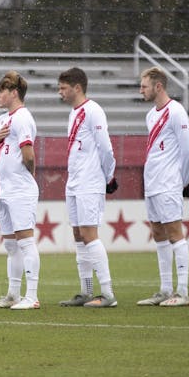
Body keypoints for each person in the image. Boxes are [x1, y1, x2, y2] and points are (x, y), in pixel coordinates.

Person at [57, 67, 119, 308]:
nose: (60, 92)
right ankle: (86, 290)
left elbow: (106, 147)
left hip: (90, 182)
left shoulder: (93, 111)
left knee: (90, 234)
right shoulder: (74, 113)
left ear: (77, 87)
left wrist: (108, 177)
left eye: (63, 88)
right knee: (78, 235)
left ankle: (107, 293)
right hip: (74, 182)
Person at [135, 67, 189, 307]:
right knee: (158, 233)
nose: (141, 89)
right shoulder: (151, 115)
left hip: (169, 183)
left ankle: (182, 291)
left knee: (174, 233)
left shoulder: (176, 111)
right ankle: (165, 289)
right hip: (152, 183)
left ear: (158, 86)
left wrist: (183, 181)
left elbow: (188, 150)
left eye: (144, 85)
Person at [0, 71, 41, 310]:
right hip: (5, 190)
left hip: (20, 189)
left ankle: (32, 296)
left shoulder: (22, 118)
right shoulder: (1, 120)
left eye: (2, 91)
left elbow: (28, 154)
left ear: (14, 93)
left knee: (26, 242)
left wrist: (31, 175)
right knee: (10, 245)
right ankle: (13, 294)